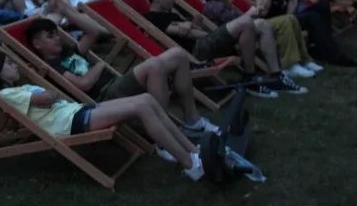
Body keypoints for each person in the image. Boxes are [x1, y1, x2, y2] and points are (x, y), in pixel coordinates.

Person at [0, 52, 205, 181]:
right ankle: (189, 164)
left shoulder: (20, 89)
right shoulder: (6, 93)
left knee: (148, 100)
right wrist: (51, 94)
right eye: (8, 63)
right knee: (142, 107)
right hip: (70, 123)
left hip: (76, 111)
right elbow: (46, 99)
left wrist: (51, 96)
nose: (14, 64)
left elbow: (47, 99)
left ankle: (194, 153)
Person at [24, 15, 219, 135]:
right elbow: (82, 85)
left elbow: (94, 32)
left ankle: (192, 121)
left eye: (56, 33)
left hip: (116, 84)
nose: (57, 38)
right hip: (105, 97)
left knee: (177, 54)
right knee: (153, 65)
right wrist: (100, 65)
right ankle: (163, 132)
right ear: (37, 44)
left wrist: (65, 10)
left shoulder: (70, 52)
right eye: (50, 36)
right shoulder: (52, 66)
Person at [142, 0, 280, 98]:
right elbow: (182, 32)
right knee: (246, 21)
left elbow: (191, 30)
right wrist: (189, 25)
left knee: (256, 24)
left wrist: (189, 26)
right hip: (195, 53)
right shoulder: (153, 18)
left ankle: (267, 76)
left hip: (203, 42)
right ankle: (250, 78)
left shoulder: (171, 15)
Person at [202, 0, 311, 91]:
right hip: (225, 40)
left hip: (237, 34)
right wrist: (250, 13)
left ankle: (277, 73)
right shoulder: (215, 6)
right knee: (264, 24)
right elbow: (234, 23)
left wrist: (253, 13)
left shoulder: (223, 5)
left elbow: (239, 21)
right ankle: (275, 73)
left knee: (265, 24)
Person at [250, 0, 328, 75]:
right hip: (263, 24)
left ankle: (305, 60)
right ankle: (290, 65)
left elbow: (290, 13)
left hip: (283, 21)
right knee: (288, 20)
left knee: (292, 18)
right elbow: (262, 12)